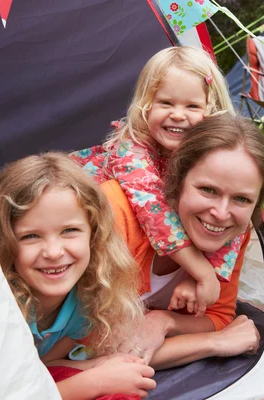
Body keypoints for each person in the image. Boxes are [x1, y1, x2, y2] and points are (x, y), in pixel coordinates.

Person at [70, 46, 238, 317]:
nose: (178, 115)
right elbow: (154, 211)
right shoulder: (131, 148)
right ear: (146, 106)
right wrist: (202, 273)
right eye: (166, 103)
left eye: (192, 106)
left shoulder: (215, 157)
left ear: (212, 110)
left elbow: (234, 219)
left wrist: (212, 274)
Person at [0, 153, 156, 400]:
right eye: (30, 236)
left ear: (94, 235)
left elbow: (42, 365)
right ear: (3, 241)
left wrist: (97, 366)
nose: (53, 252)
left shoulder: (87, 296)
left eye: (69, 231)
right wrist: (93, 381)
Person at [104, 114, 264, 369]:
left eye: (242, 199)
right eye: (208, 190)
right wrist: (215, 343)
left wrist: (165, 321)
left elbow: (219, 314)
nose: (221, 213)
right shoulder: (115, 215)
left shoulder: (234, 234)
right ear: (177, 180)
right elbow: (95, 349)